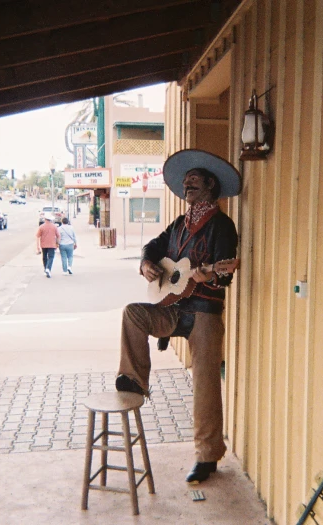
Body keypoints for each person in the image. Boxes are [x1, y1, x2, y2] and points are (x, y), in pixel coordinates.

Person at [115, 149, 240, 484]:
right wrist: (145, 263)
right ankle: (134, 381)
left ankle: (207, 456)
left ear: (211, 185)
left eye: (194, 182)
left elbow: (225, 273)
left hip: (205, 313)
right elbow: (153, 247)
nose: (187, 187)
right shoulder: (178, 225)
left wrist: (209, 274)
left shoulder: (222, 226)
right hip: (173, 308)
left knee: (205, 385)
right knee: (133, 315)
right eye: (185, 184)